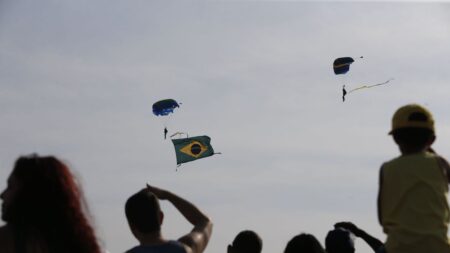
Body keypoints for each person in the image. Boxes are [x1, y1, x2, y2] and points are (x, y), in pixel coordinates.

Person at [378, 104, 450, 253]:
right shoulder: (440, 164)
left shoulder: (386, 168)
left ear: (396, 138)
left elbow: (381, 216)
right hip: (438, 247)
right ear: (432, 139)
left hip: (397, 248)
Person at [0, 154, 102, 253]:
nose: (2, 195)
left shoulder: (6, 241)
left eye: (11, 187)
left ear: (28, 193)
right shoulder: (78, 243)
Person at [124, 184, 212, 253]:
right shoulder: (185, 249)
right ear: (161, 217)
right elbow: (204, 221)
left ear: (132, 227)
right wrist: (167, 195)